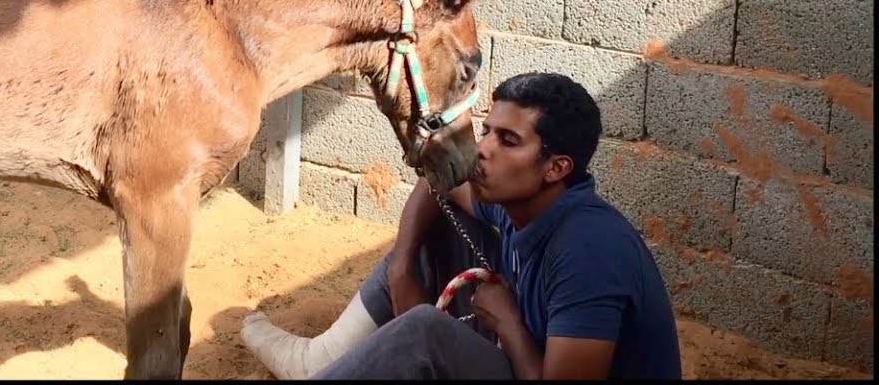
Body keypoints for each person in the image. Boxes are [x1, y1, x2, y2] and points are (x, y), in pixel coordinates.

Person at [241, 71, 683, 380]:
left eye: (507, 141)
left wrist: (508, 323)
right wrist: (402, 268)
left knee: (424, 332)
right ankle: (321, 360)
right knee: (437, 232)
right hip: (524, 351)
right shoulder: (525, 204)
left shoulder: (589, 252)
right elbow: (444, 179)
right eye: (487, 131)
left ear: (556, 167)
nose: (483, 149)